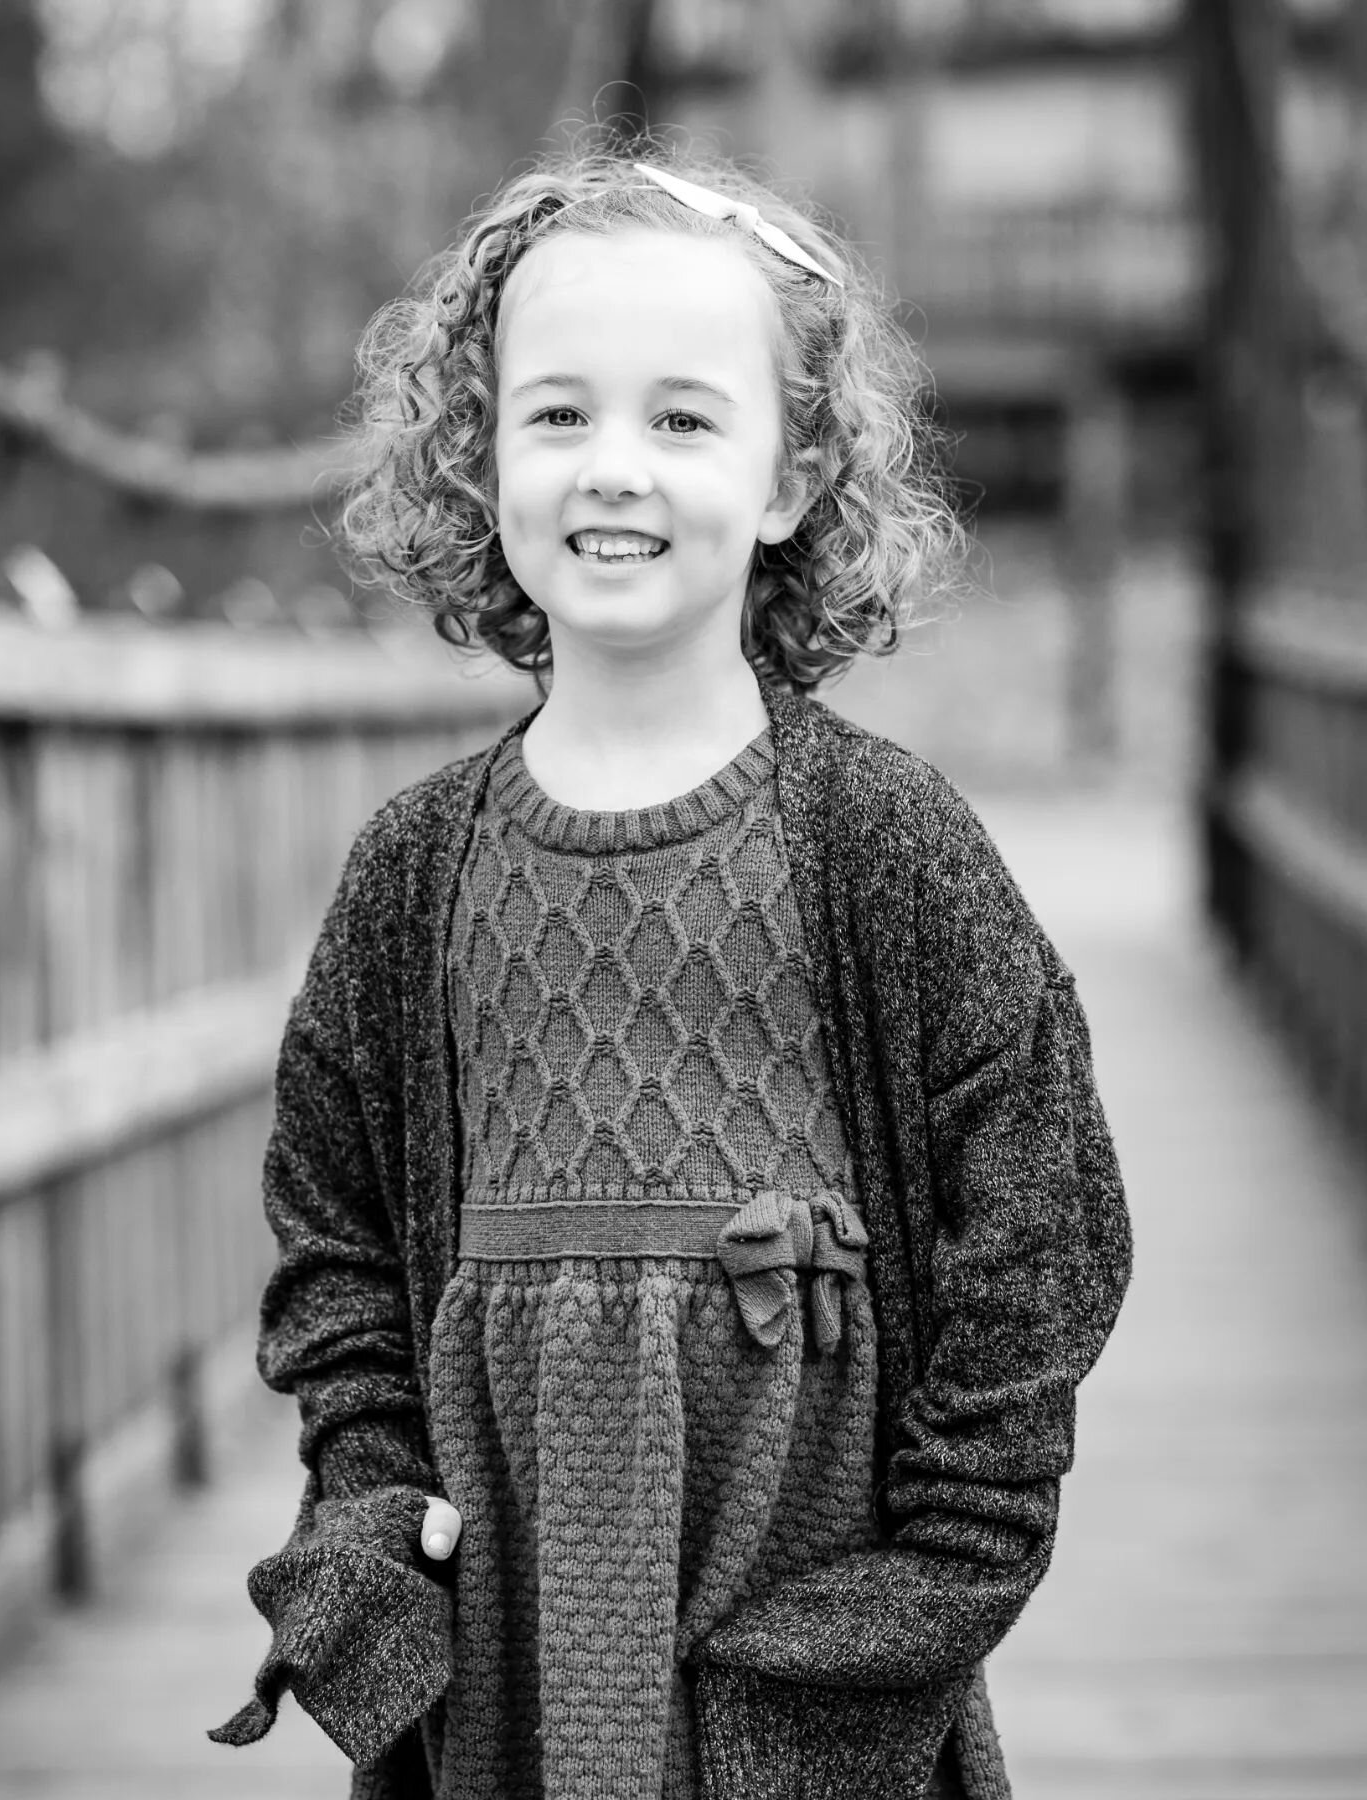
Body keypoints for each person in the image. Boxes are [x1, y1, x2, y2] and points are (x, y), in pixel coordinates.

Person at [206, 139, 1133, 1800]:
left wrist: (947, 1558)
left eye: (683, 419)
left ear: (789, 480)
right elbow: (332, 1226)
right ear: (479, 459)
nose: (613, 467)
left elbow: (1044, 1210)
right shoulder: (416, 871)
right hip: (506, 1628)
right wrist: (364, 1489)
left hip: (800, 1618)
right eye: (557, 415)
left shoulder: (883, 841)